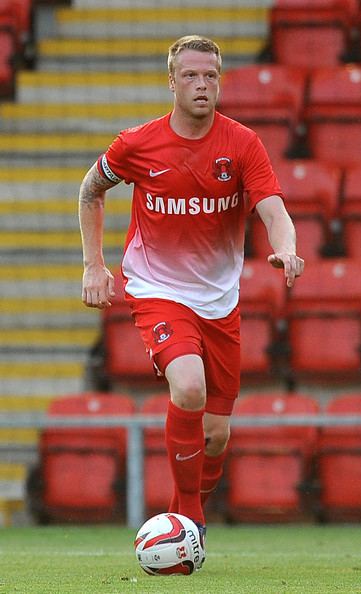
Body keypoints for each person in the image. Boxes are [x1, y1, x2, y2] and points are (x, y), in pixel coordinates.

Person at [78, 35, 304, 551]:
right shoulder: (137, 144)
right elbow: (90, 190)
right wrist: (94, 265)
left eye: (210, 76)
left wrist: (286, 248)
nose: (202, 85)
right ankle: (189, 522)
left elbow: (273, 208)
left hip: (220, 303)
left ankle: (185, 520)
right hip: (158, 289)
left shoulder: (242, 143)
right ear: (172, 82)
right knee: (189, 388)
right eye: (191, 76)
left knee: (216, 435)